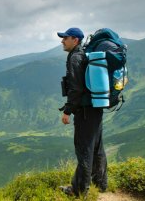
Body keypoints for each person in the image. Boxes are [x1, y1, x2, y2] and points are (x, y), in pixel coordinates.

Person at [57, 27, 108, 197]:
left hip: (85, 111)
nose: (62, 41)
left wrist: (67, 111)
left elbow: (76, 89)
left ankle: (79, 191)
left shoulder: (75, 58)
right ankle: (100, 184)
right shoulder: (84, 55)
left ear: (75, 40)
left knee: (84, 150)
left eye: (66, 38)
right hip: (95, 108)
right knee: (96, 147)